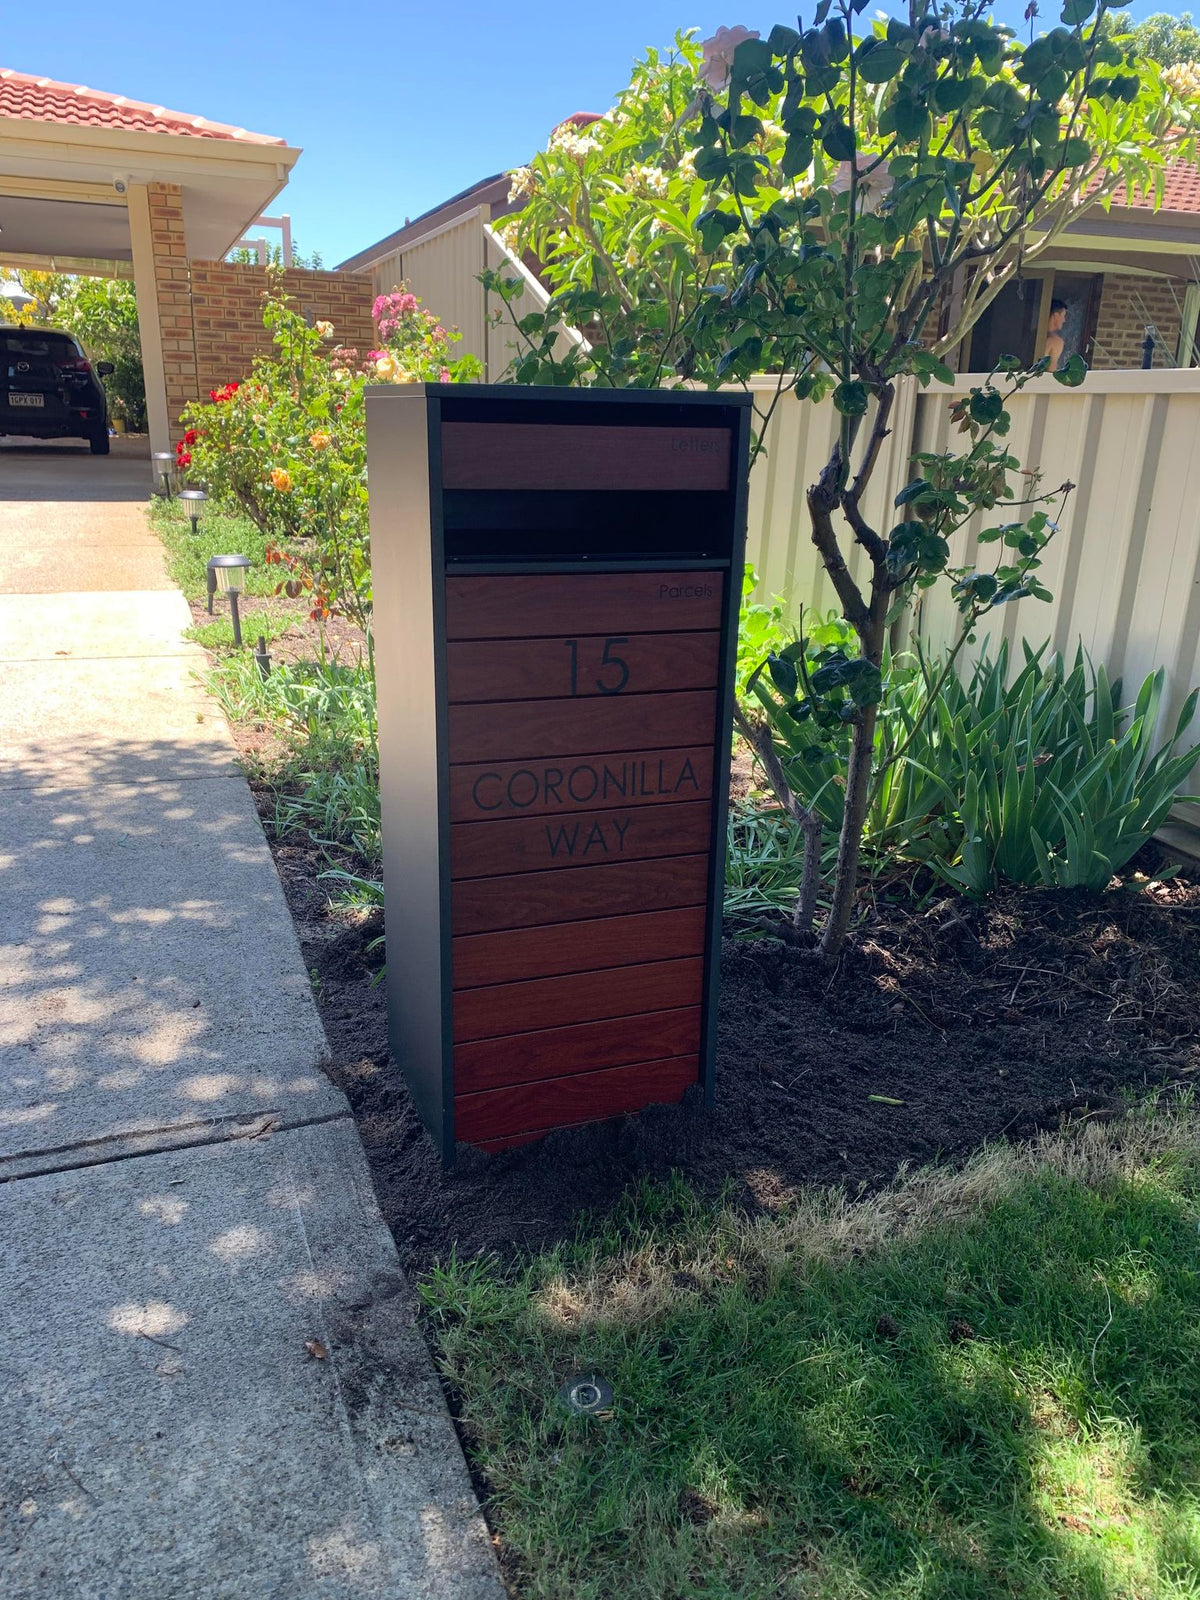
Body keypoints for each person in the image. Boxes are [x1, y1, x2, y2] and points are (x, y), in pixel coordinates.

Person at [1044, 298, 1068, 370]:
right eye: (1063, 316)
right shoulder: (1056, 341)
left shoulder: (1033, 334)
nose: (1064, 320)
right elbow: (1051, 371)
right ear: (1056, 315)